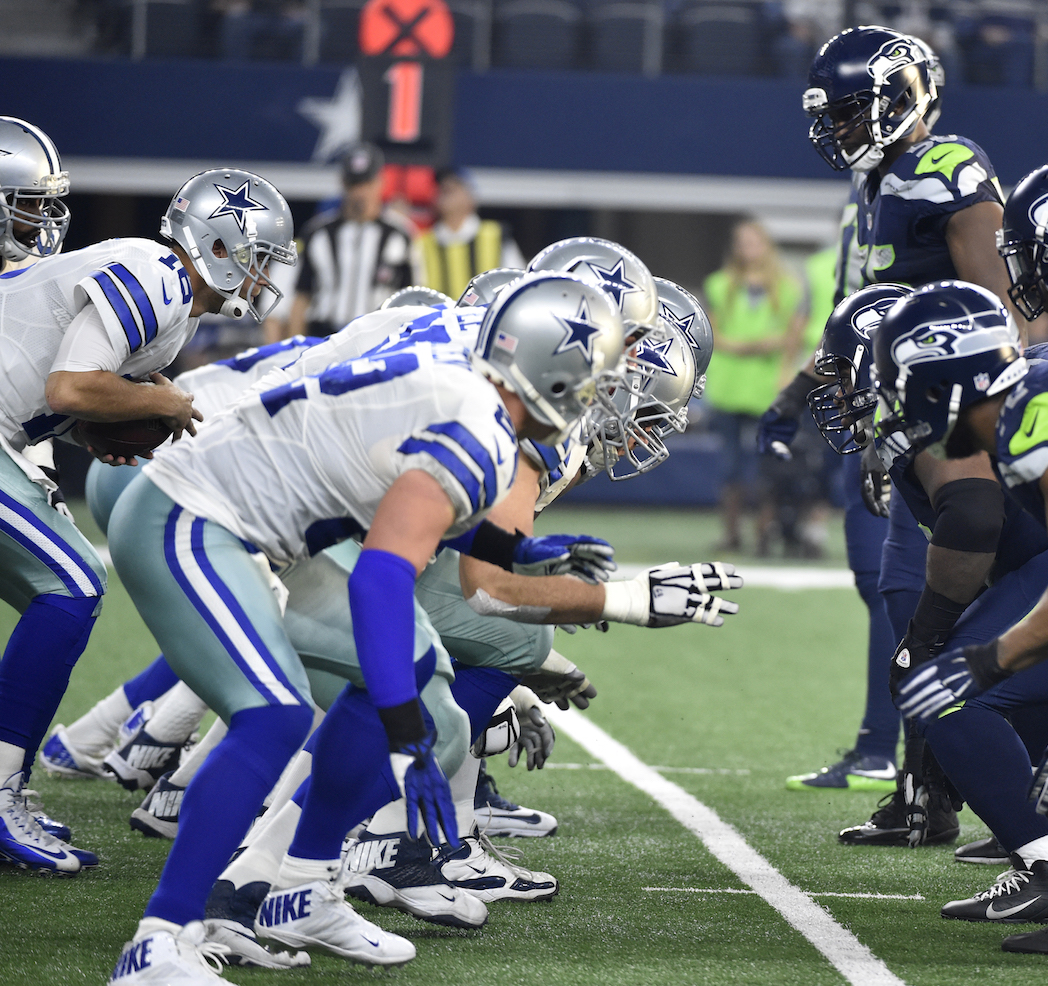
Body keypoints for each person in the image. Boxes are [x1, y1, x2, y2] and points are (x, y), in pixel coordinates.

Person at [103, 271, 629, 982]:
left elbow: (416, 517)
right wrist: (402, 737)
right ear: (552, 376)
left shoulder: (470, 394)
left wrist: (526, 555)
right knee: (276, 716)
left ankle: (301, 888)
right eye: (591, 384)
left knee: (434, 707)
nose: (593, 403)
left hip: (270, 534)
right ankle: (160, 941)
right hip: (194, 514)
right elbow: (381, 578)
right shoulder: (477, 424)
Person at [0, 165, 292, 876]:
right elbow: (69, 385)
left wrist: (94, 431)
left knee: (64, 589)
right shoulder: (155, 274)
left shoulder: (172, 309)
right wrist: (162, 404)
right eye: (258, 255)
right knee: (70, 585)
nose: (263, 274)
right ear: (219, 245)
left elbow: (55, 394)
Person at [788, 26, 1037, 851]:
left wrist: (942, 413)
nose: (839, 129)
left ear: (902, 98)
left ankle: (1000, 801)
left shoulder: (944, 171)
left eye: (851, 111)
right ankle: (924, 790)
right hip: (911, 415)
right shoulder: (881, 180)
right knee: (907, 603)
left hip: (958, 420)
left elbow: (1006, 313)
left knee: (952, 620)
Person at [868, 279, 1048, 941]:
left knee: (948, 691)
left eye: (902, 382)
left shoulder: (1029, 413)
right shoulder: (1022, 400)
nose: (897, 401)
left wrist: (991, 657)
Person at [701, 219, 806, 554]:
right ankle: (732, 534)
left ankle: (764, 533)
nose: (749, 249)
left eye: (754, 242)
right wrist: (757, 344)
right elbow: (712, 334)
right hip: (728, 387)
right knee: (729, 466)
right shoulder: (719, 285)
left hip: (767, 388)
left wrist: (783, 369)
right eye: (742, 243)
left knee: (768, 467)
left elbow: (793, 337)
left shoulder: (788, 287)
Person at [284, 142, 413, 338]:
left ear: (380, 182)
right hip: (325, 334)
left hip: (378, 336)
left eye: (367, 183)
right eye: (354, 184)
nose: (360, 193)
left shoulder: (401, 233)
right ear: (343, 184)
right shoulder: (318, 232)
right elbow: (301, 296)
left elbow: (411, 298)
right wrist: (297, 344)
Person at [413, 168, 525, 300]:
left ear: (470, 196)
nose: (446, 189)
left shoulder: (496, 235)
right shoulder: (423, 243)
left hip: (488, 312)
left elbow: (519, 282)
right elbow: (417, 291)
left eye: (455, 187)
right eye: (442, 188)